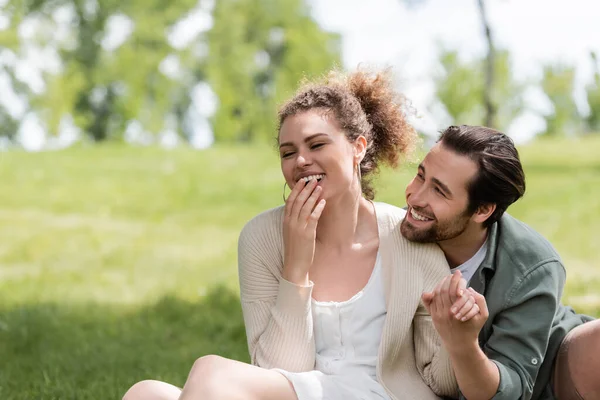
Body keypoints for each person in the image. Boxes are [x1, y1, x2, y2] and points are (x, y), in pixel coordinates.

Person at [122, 70, 477, 400]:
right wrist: (296, 264)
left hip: (385, 394)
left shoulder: (409, 240)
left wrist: (459, 336)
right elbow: (277, 369)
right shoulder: (262, 237)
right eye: (288, 152)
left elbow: (440, 383)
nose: (301, 161)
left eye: (317, 145)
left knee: (211, 372)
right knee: (146, 393)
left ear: (358, 147)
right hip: (304, 390)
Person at [401, 125, 599, 400]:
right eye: (420, 176)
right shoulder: (392, 233)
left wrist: (463, 344)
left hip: (552, 371)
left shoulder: (533, 266)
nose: (415, 197)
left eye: (439, 191)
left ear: (482, 210)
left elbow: (510, 391)